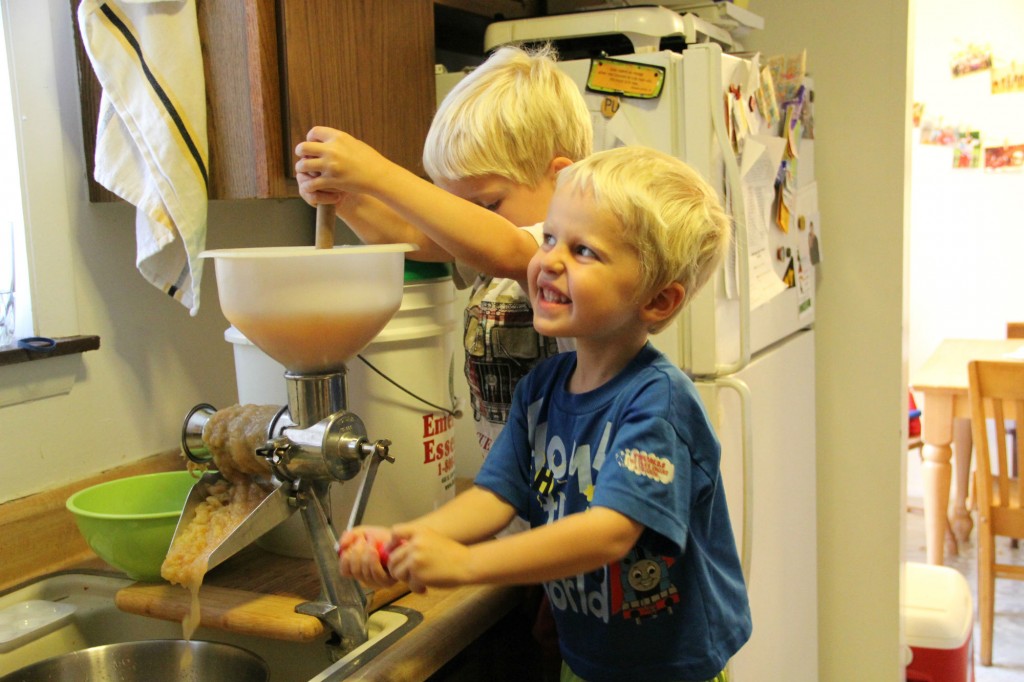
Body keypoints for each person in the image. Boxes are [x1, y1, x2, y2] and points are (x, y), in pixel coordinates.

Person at [339, 146, 752, 682]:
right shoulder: (542, 388)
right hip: (586, 659)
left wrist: (464, 564)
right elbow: (495, 495)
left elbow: (610, 532)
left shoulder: (657, 403)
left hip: (672, 668)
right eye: (550, 238)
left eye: (584, 251)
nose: (549, 260)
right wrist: (405, 539)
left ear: (658, 301)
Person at [294, 44, 592, 461]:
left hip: (576, 489)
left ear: (562, 181)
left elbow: (506, 249)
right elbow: (413, 234)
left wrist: (379, 174)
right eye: (455, 205)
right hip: (513, 490)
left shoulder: (573, 251)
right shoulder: (488, 250)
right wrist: (348, 198)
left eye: (486, 205)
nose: (463, 222)